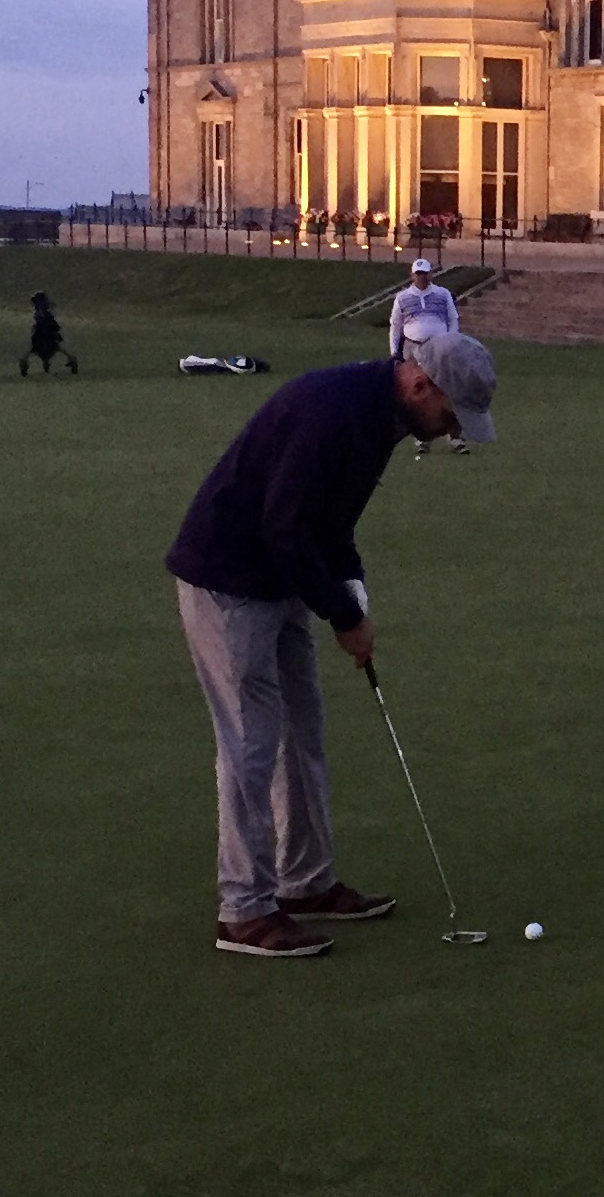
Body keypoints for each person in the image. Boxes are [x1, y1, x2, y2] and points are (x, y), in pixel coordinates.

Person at [166, 331, 499, 958]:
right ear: (421, 385)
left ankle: (305, 882)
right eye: (451, 415)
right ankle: (243, 911)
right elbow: (283, 526)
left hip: (282, 577)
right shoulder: (334, 410)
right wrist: (344, 616)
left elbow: (333, 520)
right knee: (250, 746)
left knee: (303, 730)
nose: (450, 428)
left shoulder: (384, 417)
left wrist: (353, 591)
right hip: (228, 580)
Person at [387, 259, 467, 457]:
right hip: (413, 347)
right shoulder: (403, 297)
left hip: (438, 345)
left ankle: (455, 437)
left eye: (425, 273)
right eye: (418, 274)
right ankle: (422, 438)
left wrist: (451, 342)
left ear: (430, 274)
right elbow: (396, 326)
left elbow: (452, 319)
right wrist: (394, 352)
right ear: (412, 275)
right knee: (418, 394)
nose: (422, 277)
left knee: (446, 391)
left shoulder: (442, 294)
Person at [19, 290, 77, 376]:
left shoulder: (41, 314)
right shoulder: (45, 314)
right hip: (48, 338)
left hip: (42, 338)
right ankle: (72, 362)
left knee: (34, 350)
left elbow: (45, 325)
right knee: (57, 348)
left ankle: (25, 365)